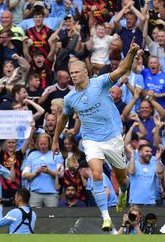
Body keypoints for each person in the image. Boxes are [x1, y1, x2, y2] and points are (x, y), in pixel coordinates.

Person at [52, 40, 139, 231]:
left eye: (76, 72)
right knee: (96, 174)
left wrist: (131, 53)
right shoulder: (70, 98)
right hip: (91, 139)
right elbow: (62, 118)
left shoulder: (100, 83)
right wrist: (54, 140)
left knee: (123, 180)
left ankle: (123, 192)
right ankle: (106, 218)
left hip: (113, 137)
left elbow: (121, 71)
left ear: (86, 72)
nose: (73, 76)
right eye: (71, 73)